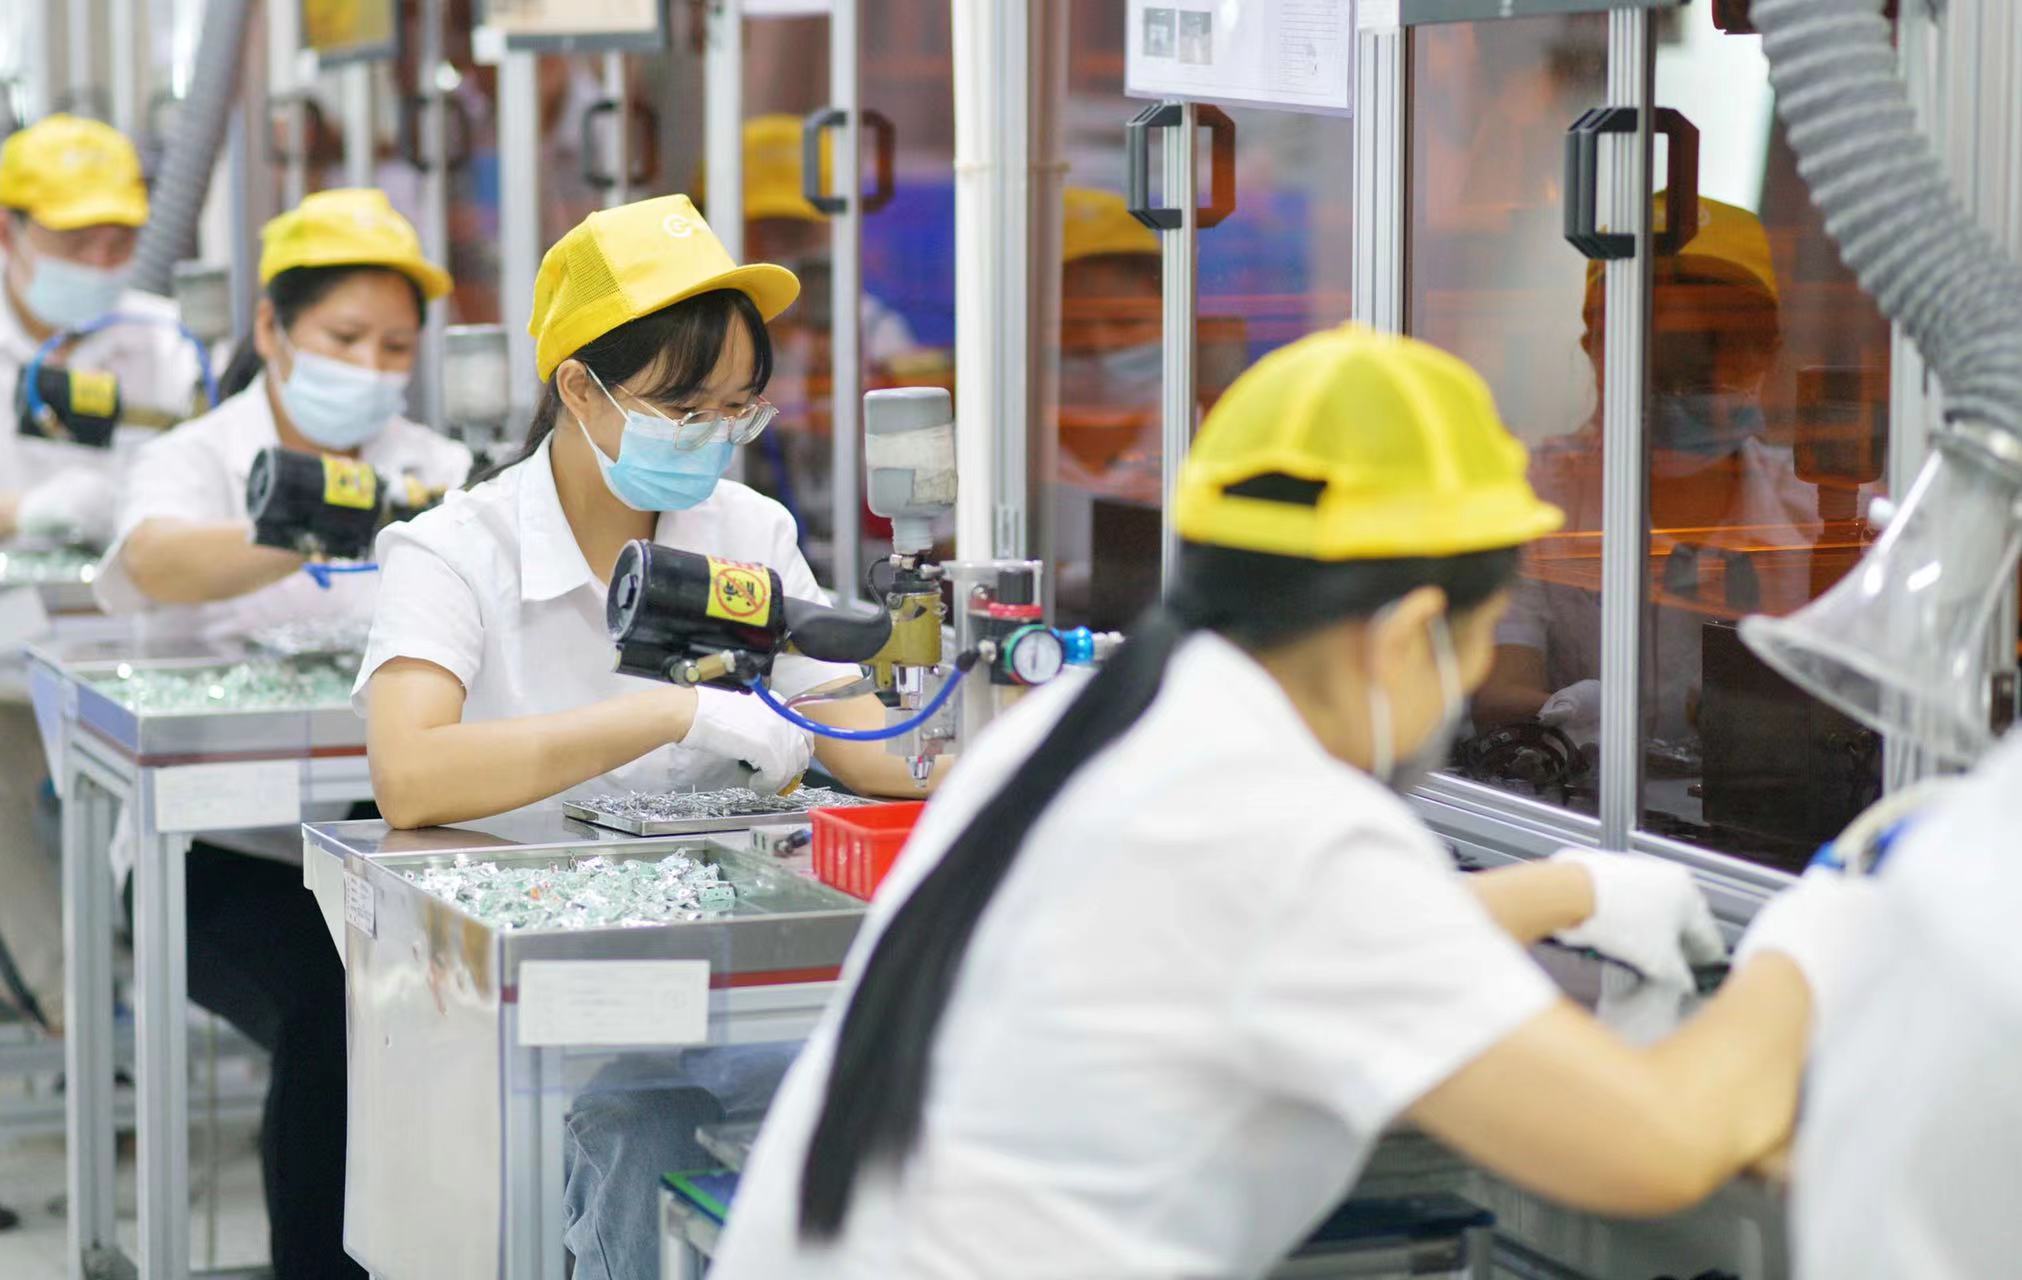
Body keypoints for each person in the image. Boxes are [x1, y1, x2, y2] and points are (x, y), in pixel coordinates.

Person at [709, 325, 1873, 1277]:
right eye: (1476, 644)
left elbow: (1236, 942)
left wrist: (1569, 887)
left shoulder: (1102, 719)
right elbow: (1659, 1147)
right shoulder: (1280, 824)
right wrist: (1822, 924)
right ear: (1411, 633)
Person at [352, 194, 945, 1280]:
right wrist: (670, 710)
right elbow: (410, 774)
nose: (713, 435)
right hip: (522, 998)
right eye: (683, 406)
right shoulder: (454, 551)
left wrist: (974, 750)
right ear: (578, 386)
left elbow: (857, 731)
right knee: (641, 1127)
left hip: (723, 980)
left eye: (737, 408)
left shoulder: (748, 530)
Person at [92, 187, 470, 1279]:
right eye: (345, 338)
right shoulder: (198, 455)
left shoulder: (437, 463)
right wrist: (335, 515)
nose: (371, 366)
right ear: (271, 328)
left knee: (462, 1015)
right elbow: (152, 561)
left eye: (394, 346)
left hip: (386, 845)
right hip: (217, 856)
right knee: (333, 1010)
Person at [1474, 195, 1815, 753]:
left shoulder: (1824, 518)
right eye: (1650, 348)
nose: (1676, 385)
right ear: (1593, 347)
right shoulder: (1527, 503)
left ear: (1768, 355)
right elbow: (1497, 694)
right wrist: (1578, 715)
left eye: (1713, 348)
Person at [0, 114, 204, 1042]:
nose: (100, 259)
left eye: (118, 239)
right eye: (75, 239)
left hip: (147, 652)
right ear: (11, 231)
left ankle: (174, 989)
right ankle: (74, 1009)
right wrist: (29, 511)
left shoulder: (166, 340)